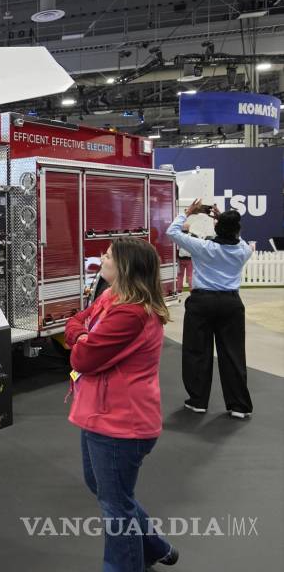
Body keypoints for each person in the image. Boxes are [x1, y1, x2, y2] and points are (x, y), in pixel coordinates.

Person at [65, 238, 178, 571]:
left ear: (125, 266)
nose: (102, 257)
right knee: (108, 492)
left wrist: (82, 338)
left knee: (115, 508)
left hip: (120, 423)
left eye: (109, 255)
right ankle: (156, 547)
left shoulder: (129, 312)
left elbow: (83, 357)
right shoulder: (110, 297)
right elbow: (75, 321)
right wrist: (81, 334)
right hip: (102, 417)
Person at [166, 200, 254, 418]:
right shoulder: (243, 251)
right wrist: (223, 218)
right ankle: (238, 406)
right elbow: (237, 238)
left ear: (216, 227)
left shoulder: (203, 247)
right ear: (237, 229)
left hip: (202, 303)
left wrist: (188, 213)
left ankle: (198, 401)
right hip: (231, 304)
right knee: (233, 354)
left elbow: (173, 231)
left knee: (197, 352)